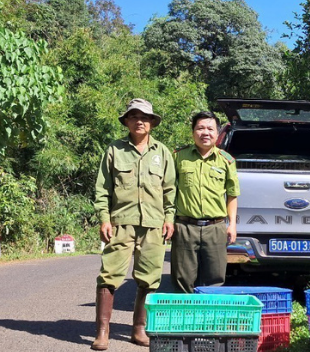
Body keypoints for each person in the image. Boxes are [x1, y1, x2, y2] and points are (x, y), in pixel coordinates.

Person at [92, 98, 176, 350]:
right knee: (109, 276)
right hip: (121, 223)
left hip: (153, 225)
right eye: (134, 116)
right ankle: (102, 332)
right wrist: (104, 219)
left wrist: (169, 218)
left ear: (152, 123)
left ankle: (138, 329)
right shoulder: (114, 150)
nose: (139, 121)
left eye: (145, 117)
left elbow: (170, 190)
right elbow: (102, 189)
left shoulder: (162, 152)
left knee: (149, 279)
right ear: (126, 121)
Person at [171, 111, 240, 293]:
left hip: (215, 228)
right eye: (200, 128)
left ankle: (209, 321)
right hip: (185, 227)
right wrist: (168, 222)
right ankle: (185, 320)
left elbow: (232, 195)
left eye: (210, 129)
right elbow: (169, 192)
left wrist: (231, 225)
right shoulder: (179, 157)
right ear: (193, 132)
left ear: (217, 134)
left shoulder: (226, 161)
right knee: (182, 280)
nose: (205, 133)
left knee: (215, 279)